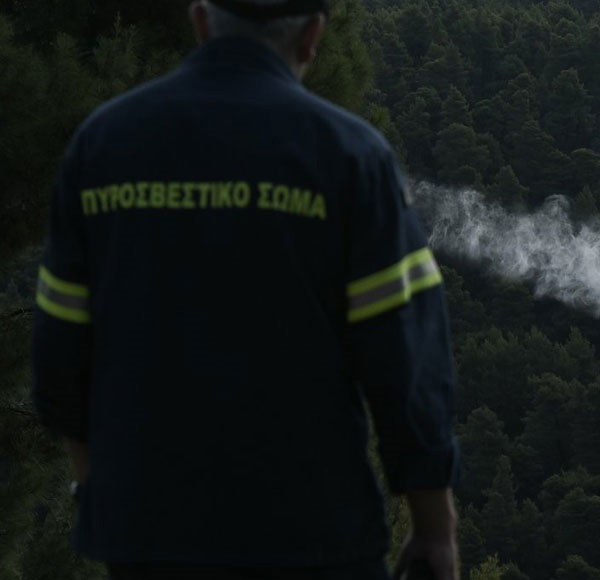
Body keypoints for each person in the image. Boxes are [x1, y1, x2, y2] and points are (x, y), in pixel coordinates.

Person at [30, 1, 460, 578]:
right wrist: (435, 529)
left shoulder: (101, 144)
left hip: (146, 534)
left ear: (201, 22)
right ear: (312, 37)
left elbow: (59, 353)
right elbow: (407, 365)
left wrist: (99, 494)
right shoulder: (352, 156)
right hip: (313, 533)